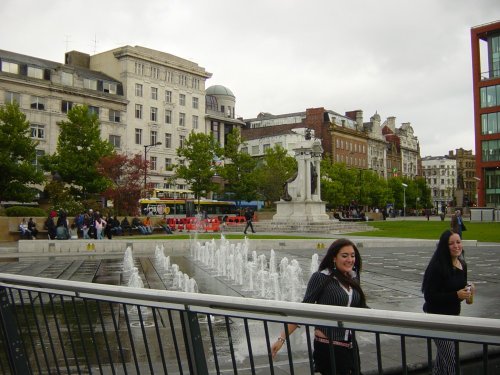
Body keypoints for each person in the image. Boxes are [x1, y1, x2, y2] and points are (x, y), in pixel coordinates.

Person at [271, 238, 367, 374]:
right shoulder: (321, 277)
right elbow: (304, 310)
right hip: (328, 346)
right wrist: (282, 338)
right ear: (334, 258)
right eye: (344, 256)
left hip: (351, 346)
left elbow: (362, 307)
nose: (350, 260)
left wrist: (391, 320)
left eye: (352, 256)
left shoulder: (353, 277)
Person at [421, 230, 474, 374]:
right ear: (444, 246)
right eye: (451, 243)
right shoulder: (437, 267)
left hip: (453, 318)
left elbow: (462, 295)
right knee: (452, 360)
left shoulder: (462, 265)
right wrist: (456, 295)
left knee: (442, 359)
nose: (456, 246)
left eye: (458, 242)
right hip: (437, 319)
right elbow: (430, 296)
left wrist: (468, 292)